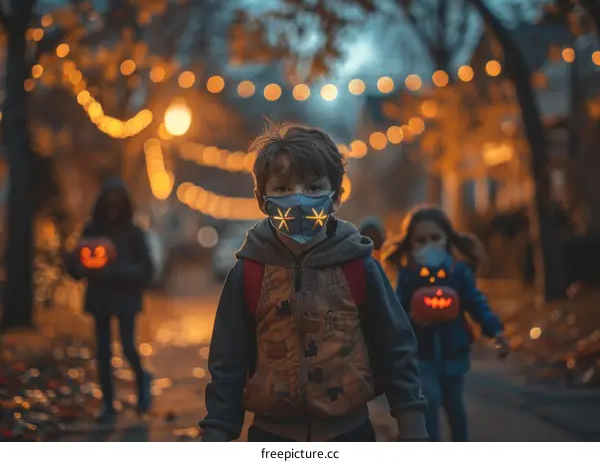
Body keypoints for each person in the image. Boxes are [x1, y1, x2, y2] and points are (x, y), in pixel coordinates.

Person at [200, 123, 427, 442]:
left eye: (313, 188)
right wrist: (217, 433)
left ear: (336, 197)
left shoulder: (359, 267)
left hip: (349, 434)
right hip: (272, 437)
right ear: (262, 199)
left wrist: (413, 426)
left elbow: (395, 347)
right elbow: (228, 362)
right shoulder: (249, 273)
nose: (298, 200)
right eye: (281, 189)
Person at [384, 205, 510, 442]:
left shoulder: (458, 272)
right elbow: (397, 311)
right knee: (428, 399)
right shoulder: (409, 275)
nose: (428, 245)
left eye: (435, 238)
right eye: (420, 240)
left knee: (454, 403)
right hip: (422, 353)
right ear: (410, 244)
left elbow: (476, 304)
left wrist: (496, 331)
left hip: (455, 352)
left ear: (447, 239)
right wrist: (410, 322)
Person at [66, 178, 155, 424]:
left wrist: (114, 272)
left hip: (126, 298)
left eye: (118, 201)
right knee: (103, 351)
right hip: (100, 299)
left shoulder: (134, 232)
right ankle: (107, 403)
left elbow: (147, 270)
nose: (113, 207)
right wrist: (77, 265)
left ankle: (143, 384)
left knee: (128, 346)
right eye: (109, 201)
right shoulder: (91, 231)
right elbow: (76, 265)